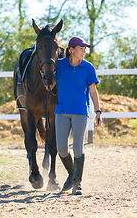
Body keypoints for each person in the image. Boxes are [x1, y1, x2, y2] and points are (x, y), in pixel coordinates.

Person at [55, 36, 102, 195]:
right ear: (71, 50)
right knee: (61, 148)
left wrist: (98, 111)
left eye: (85, 49)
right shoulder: (59, 65)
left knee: (77, 147)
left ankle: (77, 183)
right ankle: (71, 173)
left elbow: (93, 91)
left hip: (80, 112)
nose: (84, 51)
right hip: (61, 110)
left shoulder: (88, 68)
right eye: (81, 48)